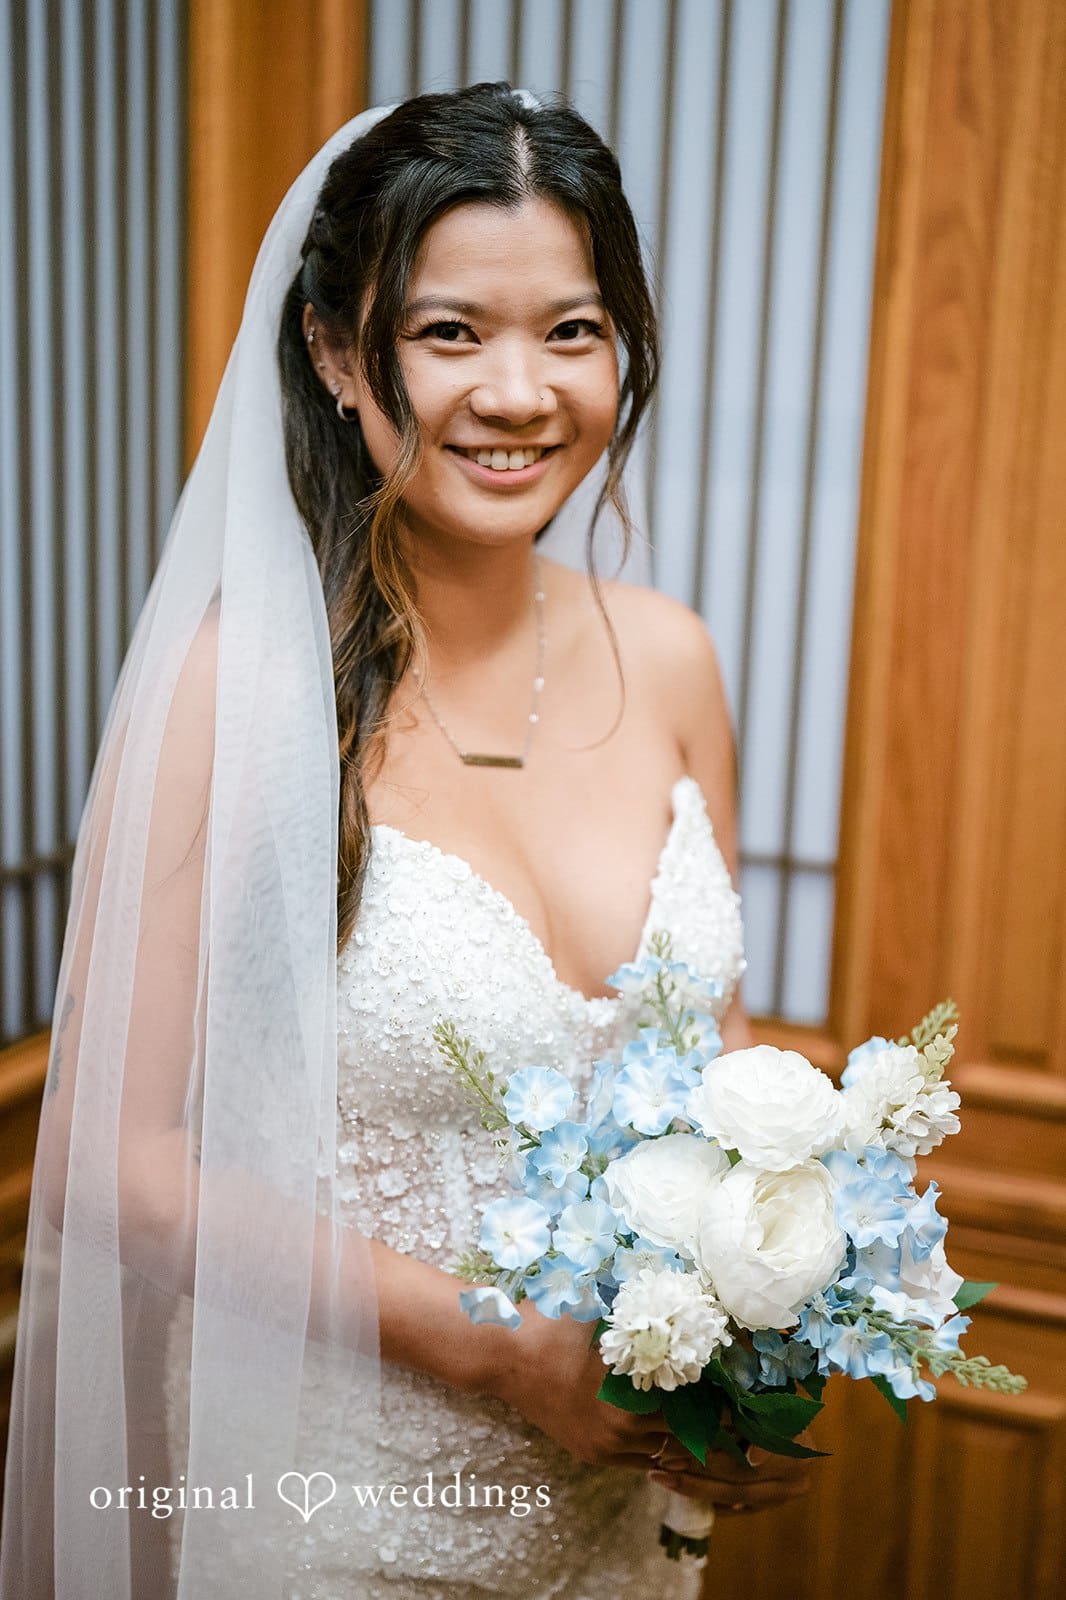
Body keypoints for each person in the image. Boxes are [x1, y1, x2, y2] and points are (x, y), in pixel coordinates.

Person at [1, 83, 809, 1598]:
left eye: (572, 330)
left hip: (620, 1519)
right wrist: (500, 1354)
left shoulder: (677, 656)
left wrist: (758, 1308)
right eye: (451, 334)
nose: (520, 392)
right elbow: (120, 1165)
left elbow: (723, 1079)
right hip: (346, 1512)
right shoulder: (235, 692)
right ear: (331, 353)